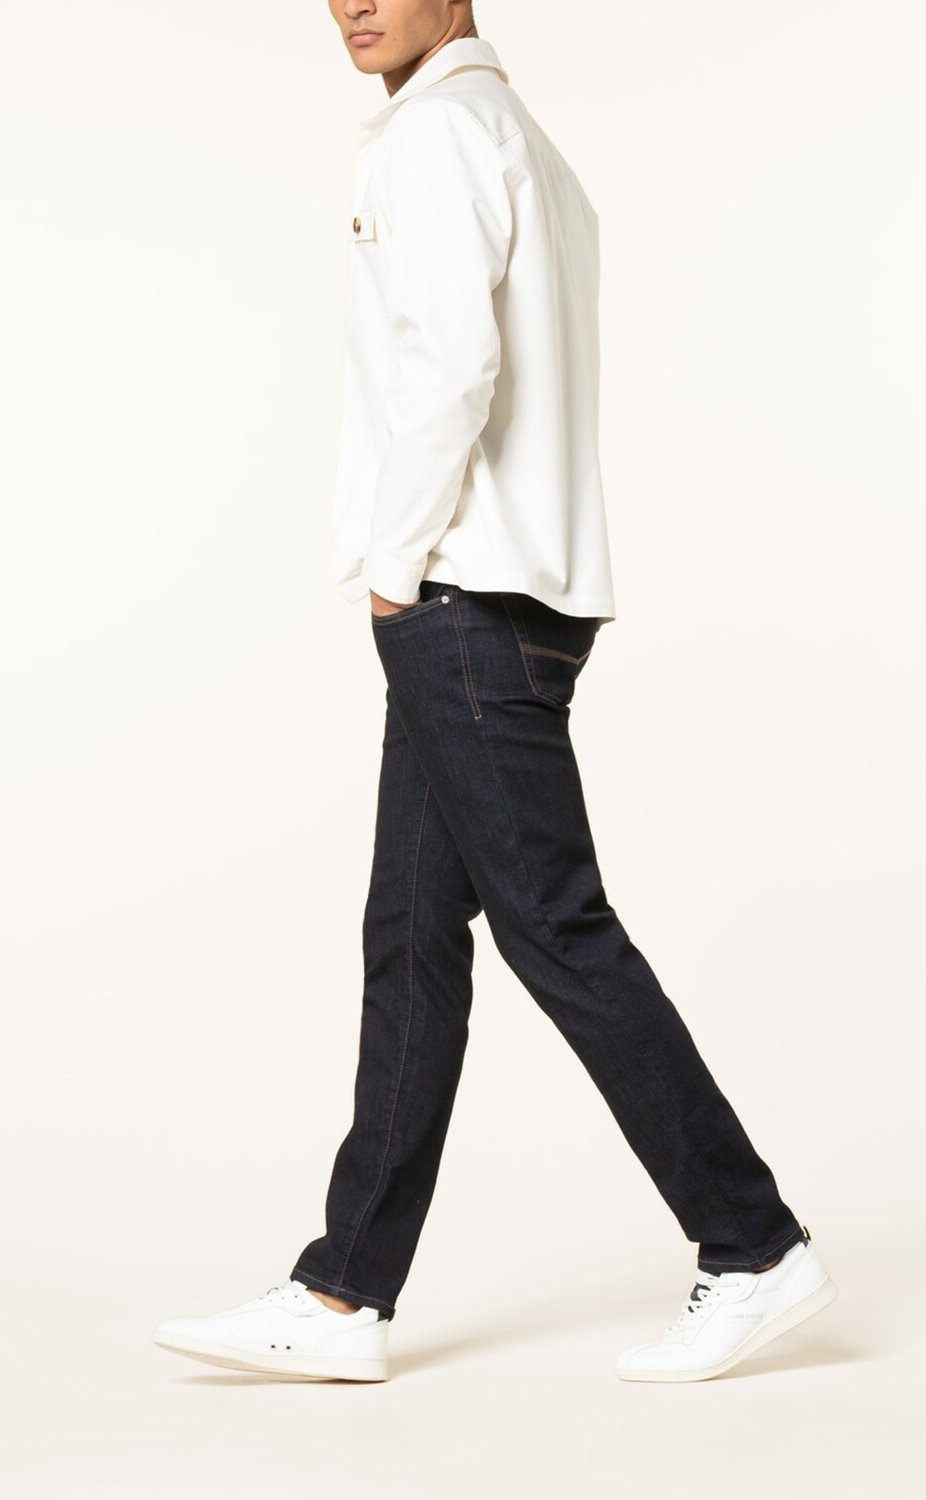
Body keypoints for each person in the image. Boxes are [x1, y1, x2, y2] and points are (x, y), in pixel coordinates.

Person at [154, 0, 837, 1385]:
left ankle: (755, 1246)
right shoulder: (520, 138)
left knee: (554, 926)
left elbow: (453, 368)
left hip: (466, 601)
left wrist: (392, 568)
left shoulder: (441, 136)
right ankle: (345, 1296)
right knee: (413, 935)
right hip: (513, 596)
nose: (352, 2)